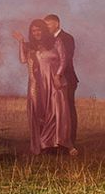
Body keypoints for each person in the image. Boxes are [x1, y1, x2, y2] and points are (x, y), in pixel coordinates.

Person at [12, 19, 74, 155]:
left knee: (56, 112)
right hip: (37, 84)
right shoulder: (30, 46)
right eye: (33, 31)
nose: (36, 33)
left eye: (39, 29)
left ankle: (57, 143)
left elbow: (64, 60)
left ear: (44, 30)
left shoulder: (56, 42)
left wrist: (58, 76)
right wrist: (21, 42)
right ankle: (42, 145)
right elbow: (23, 60)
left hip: (54, 82)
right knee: (38, 113)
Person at [44, 14, 79, 145]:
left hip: (68, 79)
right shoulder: (48, 39)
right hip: (53, 80)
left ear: (56, 24)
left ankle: (70, 141)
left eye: (48, 24)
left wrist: (57, 75)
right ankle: (56, 141)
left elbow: (66, 59)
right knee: (55, 111)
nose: (46, 27)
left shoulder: (67, 38)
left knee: (68, 110)